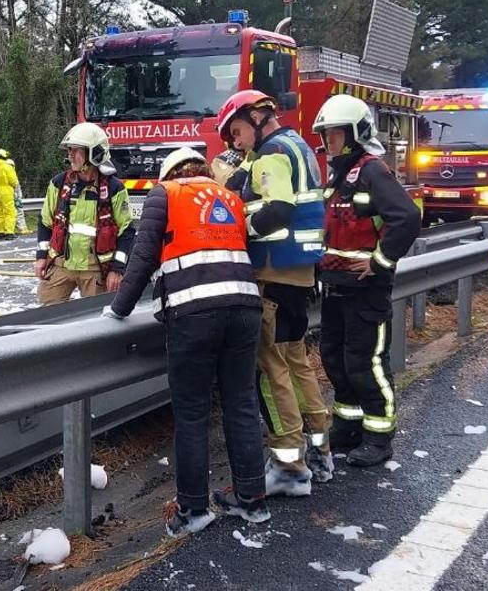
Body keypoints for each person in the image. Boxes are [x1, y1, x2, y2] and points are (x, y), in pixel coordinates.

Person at [103, 147, 270, 537]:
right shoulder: (229, 196)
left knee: (193, 413)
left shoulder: (166, 193)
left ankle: (193, 510)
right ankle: (252, 501)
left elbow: (143, 257)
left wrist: (119, 309)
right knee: (242, 404)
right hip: (245, 308)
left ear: (170, 172)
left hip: (194, 314)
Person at [216, 89, 332, 497]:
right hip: (297, 271)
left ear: (257, 118)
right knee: (297, 360)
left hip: (272, 270)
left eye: (238, 130)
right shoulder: (298, 146)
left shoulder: (270, 154)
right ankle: (320, 450)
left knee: (271, 365)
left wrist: (234, 232)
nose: (235, 140)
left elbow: (278, 208)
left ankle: (289, 465)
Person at [312, 94, 421, 466]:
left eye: (335, 134)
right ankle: (348, 428)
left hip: (365, 290)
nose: (329, 141)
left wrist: (380, 261)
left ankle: (379, 436)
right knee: (335, 360)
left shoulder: (372, 170)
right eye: (325, 134)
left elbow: (406, 217)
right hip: (336, 286)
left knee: (365, 362)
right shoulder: (337, 175)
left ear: (356, 133)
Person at [35, 123, 135, 304]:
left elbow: (126, 231)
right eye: (69, 150)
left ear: (94, 154)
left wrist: (118, 269)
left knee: (96, 321)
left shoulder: (113, 188)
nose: (70, 155)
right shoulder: (59, 184)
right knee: (46, 315)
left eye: (76, 150)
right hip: (61, 264)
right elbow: (44, 222)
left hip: (95, 269)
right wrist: (41, 257)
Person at [0, 149, 20, 239]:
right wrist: (15, 187)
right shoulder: (7, 166)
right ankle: (9, 232)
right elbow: (13, 180)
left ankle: (0, 232)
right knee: (10, 211)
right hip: (6, 190)